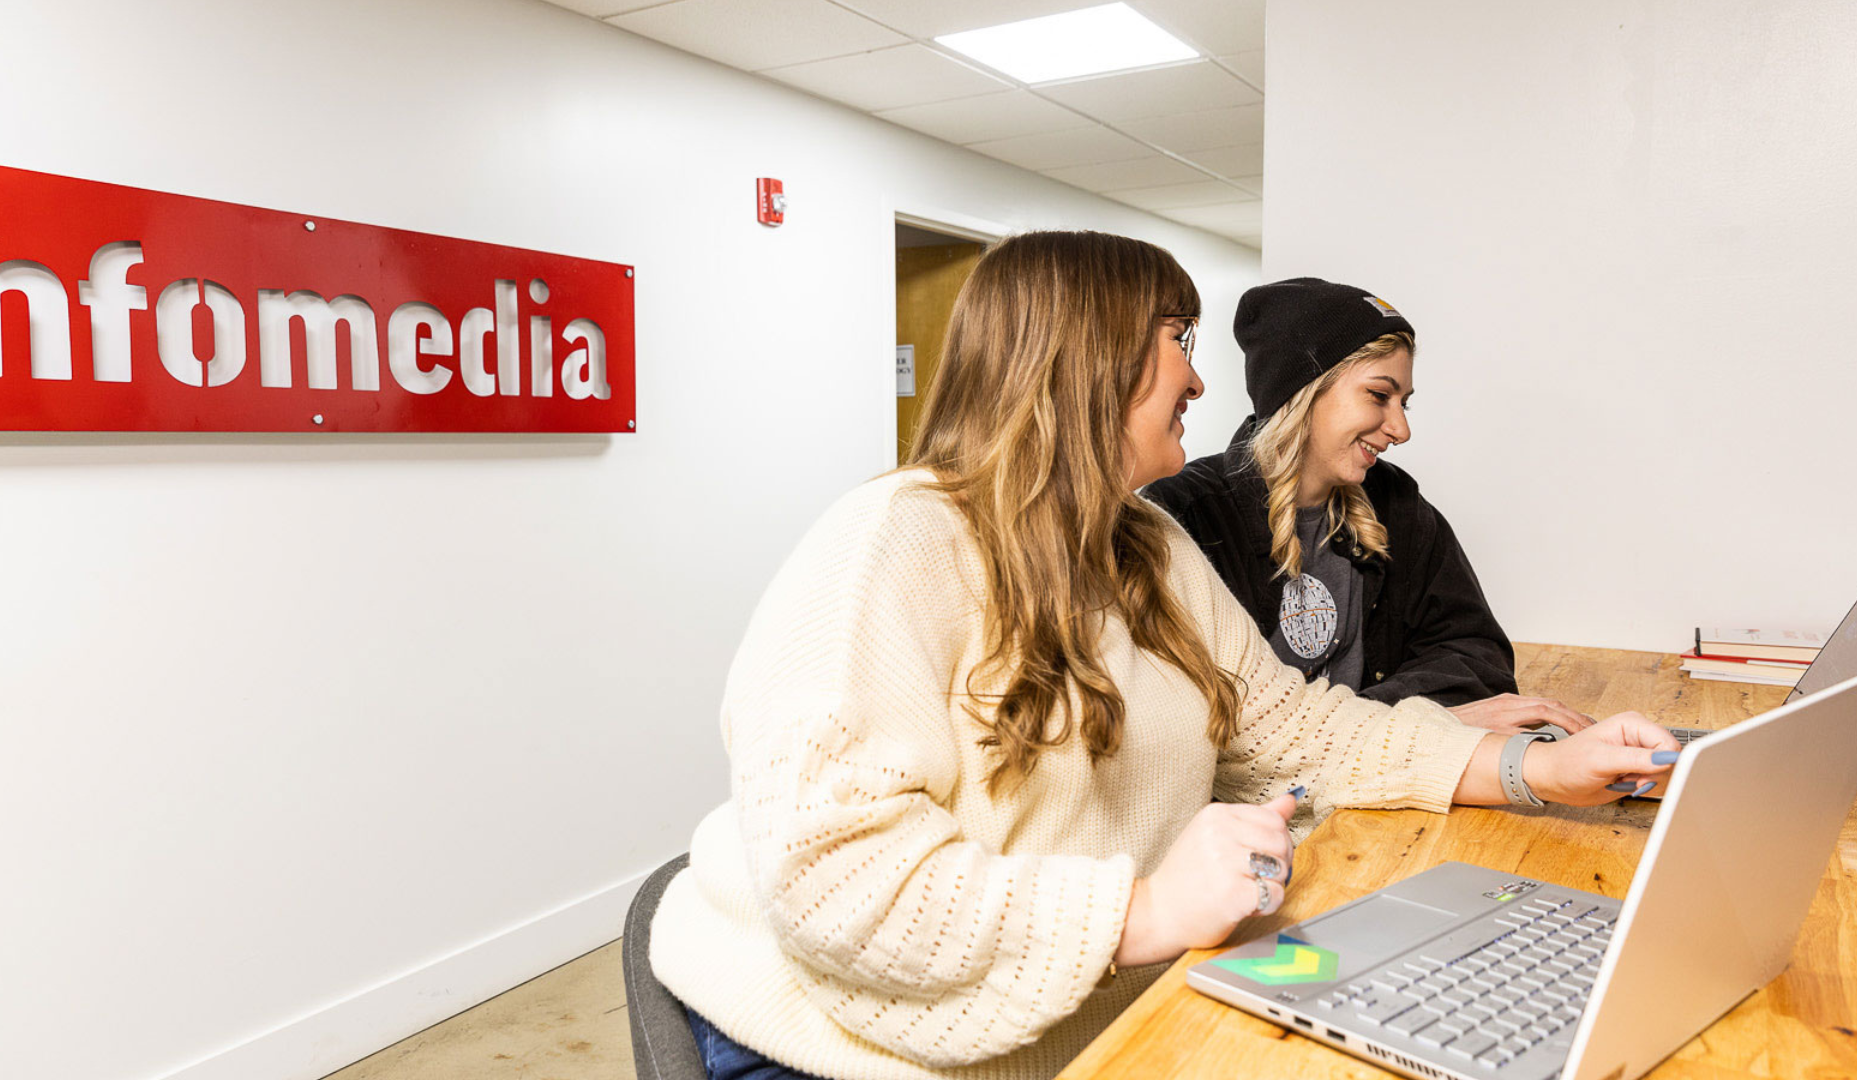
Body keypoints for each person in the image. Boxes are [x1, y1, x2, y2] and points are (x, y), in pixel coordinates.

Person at [647, 234, 1676, 1080]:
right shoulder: (893, 544)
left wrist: (1531, 770)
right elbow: (841, 889)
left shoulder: (1146, 542)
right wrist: (1142, 910)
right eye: (1176, 338)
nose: (1196, 372)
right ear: (1084, 357)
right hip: (840, 1041)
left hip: (1071, 1007)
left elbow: (1290, 727)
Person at [1146, 278, 1593, 735]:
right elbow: (1203, 726)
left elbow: (1476, 656)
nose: (1400, 429)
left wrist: (1387, 727)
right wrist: (1413, 721)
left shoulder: (1395, 502)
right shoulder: (1185, 514)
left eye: (1405, 404)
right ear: (1301, 392)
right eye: (1379, 396)